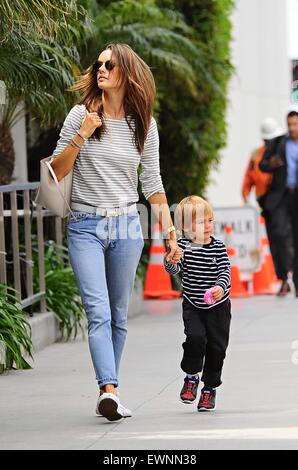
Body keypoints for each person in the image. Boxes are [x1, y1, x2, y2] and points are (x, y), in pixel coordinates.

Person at [50, 43, 182, 421]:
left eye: (109, 64)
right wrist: (82, 134)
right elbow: (57, 172)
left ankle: (110, 388)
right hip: (85, 225)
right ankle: (108, 389)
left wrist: (171, 235)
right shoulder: (80, 115)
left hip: (126, 226)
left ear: (126, 73)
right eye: (99, 64)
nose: (101, 69)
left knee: (119, 316)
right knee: (98, 312)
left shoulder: (144, 125)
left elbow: (153, 185)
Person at [164, 196, 231, 412]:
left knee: (217, 348)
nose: (208, 226)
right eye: (202, 222)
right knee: (195, 338)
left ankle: (209, 389)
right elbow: (174, 270)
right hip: (193, 304)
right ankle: (191, 376)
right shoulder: (183, 246)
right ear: (185, 227)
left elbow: (225, 271)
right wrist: (170, 260)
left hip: (218, 307)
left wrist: (220, 287)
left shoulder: (218, 247)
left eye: (210, 220)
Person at [259, 104, 298, 297]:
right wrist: (271, 164)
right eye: (289, 124)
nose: (292, 128)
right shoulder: (278, 142)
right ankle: (284, 280)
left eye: (295, 124)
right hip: (281, 197)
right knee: (281, 236)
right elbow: (262, 164)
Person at [241, 118, 284, 279]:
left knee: (283, 234)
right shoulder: (255, 155)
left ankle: (286, 269)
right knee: (273, 236)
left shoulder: (283, 152)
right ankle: (281, 272)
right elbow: (248, 179)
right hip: (265, 202)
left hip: (282, 200)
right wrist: (246, 200)